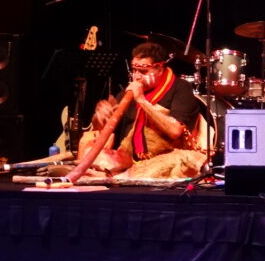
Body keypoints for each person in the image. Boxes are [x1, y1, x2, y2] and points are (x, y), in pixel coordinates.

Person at [81, 41, 206, 178]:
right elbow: (106, 131)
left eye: (143, 71)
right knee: (88, 151)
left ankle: (117, 176)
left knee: (182, 161)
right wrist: (99, 118)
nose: (137, 76)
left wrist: (141, 100)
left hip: (163, 158)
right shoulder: (126, 93)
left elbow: (175, 131)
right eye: (134, 70)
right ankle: (119, 175)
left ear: (159, 68)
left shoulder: (180, 89)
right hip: (128, 159)